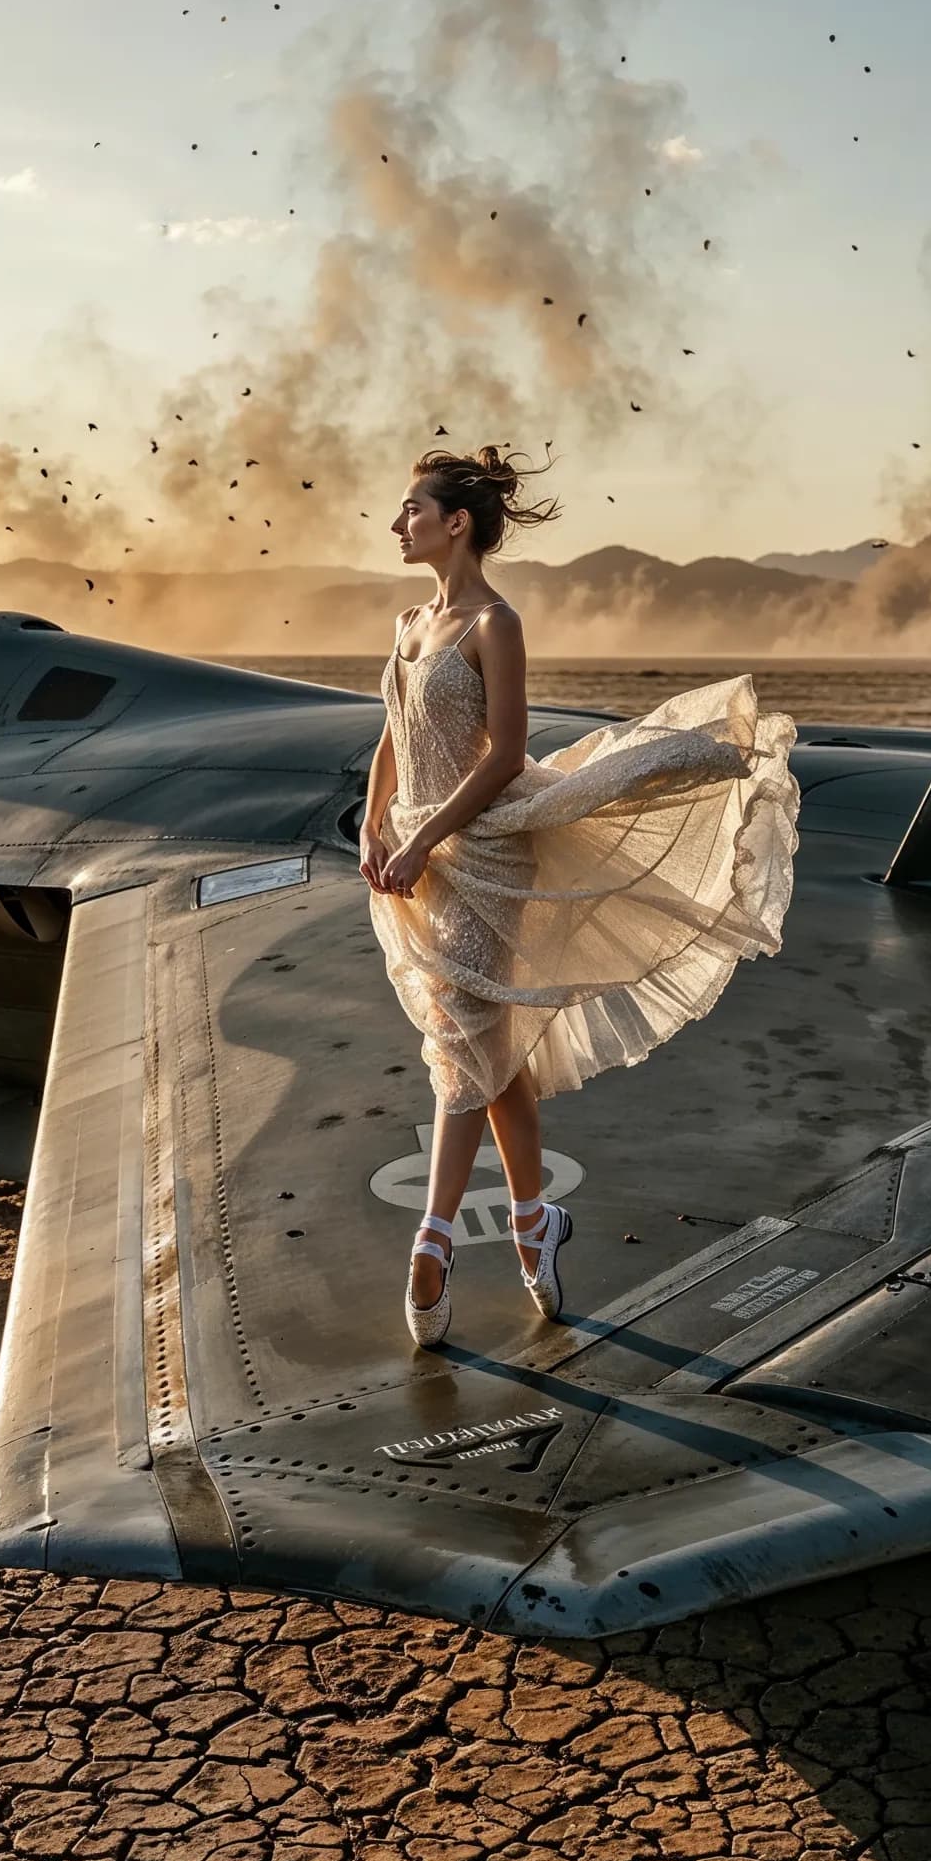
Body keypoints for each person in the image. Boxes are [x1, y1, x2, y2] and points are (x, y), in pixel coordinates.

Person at [359, 444, 801, 1349]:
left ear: (457, 524)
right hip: (411, 855)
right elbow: (393, 735)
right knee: (494, 1051)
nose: (397, 523)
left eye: (412, 509)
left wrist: (422, 838)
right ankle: (535, 1226)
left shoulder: (495, 624)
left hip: (482, 849)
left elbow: (506, 756)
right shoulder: (409, 623)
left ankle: (432, 1242)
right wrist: (375, 824)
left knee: (463, 1045)